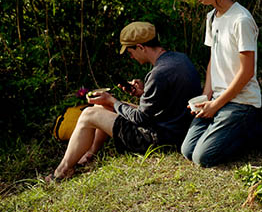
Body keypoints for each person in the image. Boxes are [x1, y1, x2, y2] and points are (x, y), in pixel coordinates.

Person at [47, 21, 201, 181]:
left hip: (158, 139)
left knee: (88, 114)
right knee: (108, 106)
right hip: (178, 128)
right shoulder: (181, 59)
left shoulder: (158, 74)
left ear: (141, 47)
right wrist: (142, 93)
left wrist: (113, 101)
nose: (131, 57)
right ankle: (90, 155)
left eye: (130, 52)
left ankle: (62, 171)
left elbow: (141, 118)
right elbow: (168, 102)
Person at [181, 0, 262, 167]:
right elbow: (213, 60)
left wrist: (216, 105)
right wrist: (206, 96)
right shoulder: (212, 18)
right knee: (187, 150)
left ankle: (253, 128)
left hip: (242, 102)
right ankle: (228, 129)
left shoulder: (241, 20)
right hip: (218, 100)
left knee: (202, 158)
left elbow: (247, 72)